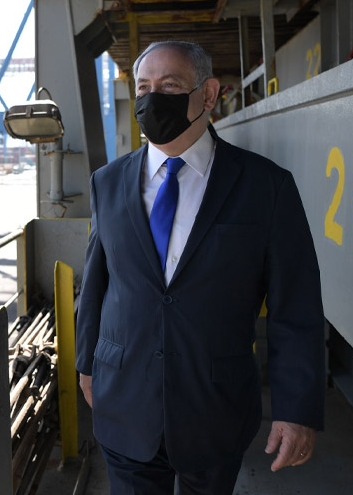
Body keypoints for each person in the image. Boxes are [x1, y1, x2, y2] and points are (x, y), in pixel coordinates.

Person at [75, 41, 325, 494]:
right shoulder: (106, 184)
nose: (153, 100)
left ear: (208, 95)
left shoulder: (266, 187)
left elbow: (297, 306)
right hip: (124, 403)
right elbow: (96, 283)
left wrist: (297, 408)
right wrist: (87, 363)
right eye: (144, 88)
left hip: (216, 409)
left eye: (169, 86)